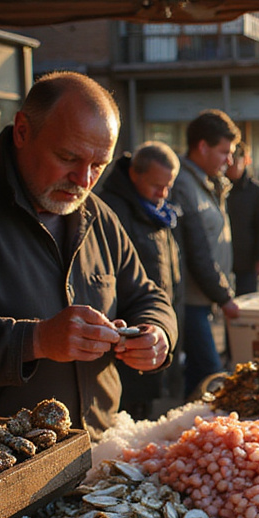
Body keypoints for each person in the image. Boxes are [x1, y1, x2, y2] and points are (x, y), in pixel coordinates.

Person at [0, 72, 177, 439]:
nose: (84, 179)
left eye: (98, 165)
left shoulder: (98, 214)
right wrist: (35, 340)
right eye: (68, 157)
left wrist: (158, 334)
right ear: (22, 131)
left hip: (96, 446)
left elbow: (147, 295)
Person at [98, 140, 182, 420]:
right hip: (126, 335)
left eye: (168, 185)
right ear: (135, 174)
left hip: (154, 322)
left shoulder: (155, 210)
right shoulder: (113, 211)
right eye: (158, 185)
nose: (164, 193)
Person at [172, 109, 240, 396]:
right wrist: (223, 295)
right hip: (191, 299)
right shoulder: (183, 185)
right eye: (224, 152)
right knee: (212, 375)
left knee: (198, 380)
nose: (230, 160)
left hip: (205, 296)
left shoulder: (209, 183)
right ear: (202, 146)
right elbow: (198, 251)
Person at [225, 141, 259, 297]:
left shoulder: (255, 190)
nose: (230, 166)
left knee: (246, 302)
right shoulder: (218, 187)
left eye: (236, 162)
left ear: (246, 161)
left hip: (248, 260)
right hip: (223, 258)